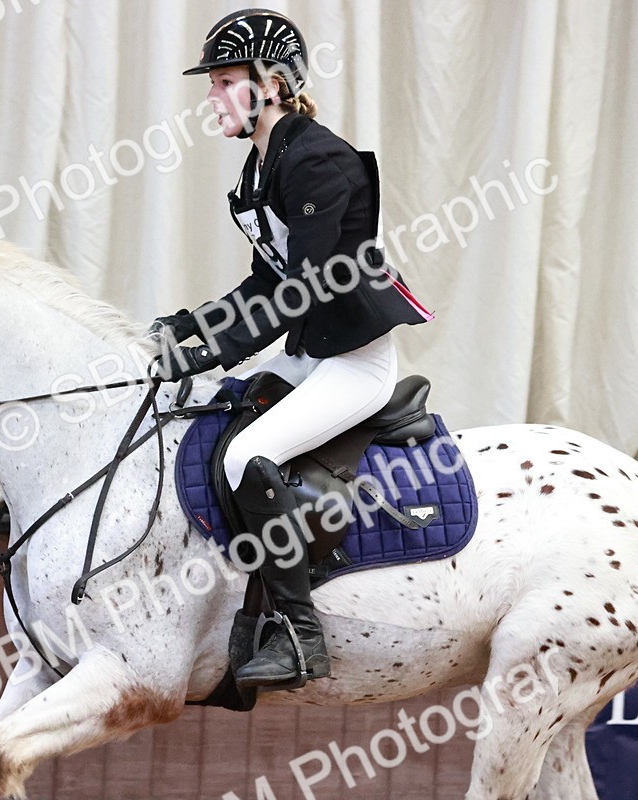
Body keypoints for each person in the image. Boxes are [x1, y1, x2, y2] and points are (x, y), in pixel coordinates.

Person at [150, 8, 433, 690]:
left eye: (224, 82)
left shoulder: (316, 160)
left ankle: (302, 637)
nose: (212, 97)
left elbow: (301, 288)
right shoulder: (261, 165)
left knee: (250, 455)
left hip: (353, 363)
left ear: (271, 84)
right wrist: (193, 323)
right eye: (212, 84)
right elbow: (265, 279)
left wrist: (208, 350)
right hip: (311, 355)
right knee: (217, 413)